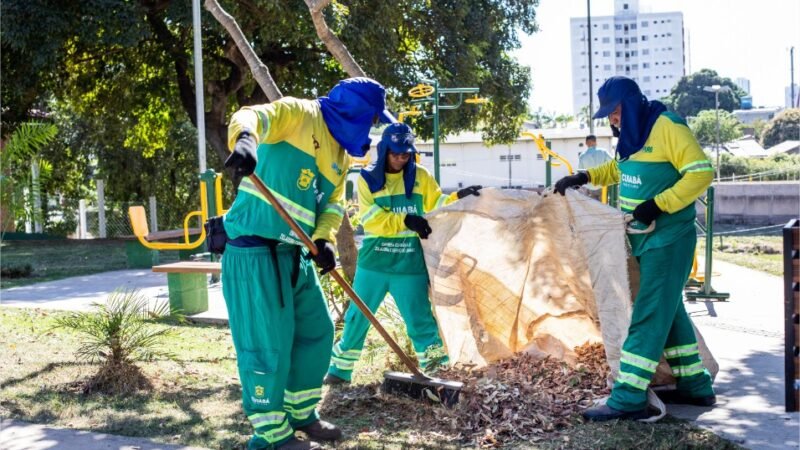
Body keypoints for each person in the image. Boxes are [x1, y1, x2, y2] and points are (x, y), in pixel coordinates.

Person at [222, 77, 396, 450]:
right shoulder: (301, 114)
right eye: (371, 119)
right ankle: (269, 434)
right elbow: (251, 116)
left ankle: (301, 412)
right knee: (267, 345)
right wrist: (247, 141)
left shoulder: (341, 154)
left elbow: (332, 204)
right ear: (354, 112)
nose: (372, 128)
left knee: (315, 334)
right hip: (255, 250)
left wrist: (323, 239)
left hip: (296, 253)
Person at [554, 76, 716, 422]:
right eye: (608, 116)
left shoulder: (667, 126)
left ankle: (627, 396)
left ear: (630, 104)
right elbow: (621, 170)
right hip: (643, 238)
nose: (612, 120)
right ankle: (695, 385)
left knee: (648, 313)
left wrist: (659, 204)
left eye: (615, 112)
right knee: (669, 311)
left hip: (669, 238)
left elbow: (702, 173)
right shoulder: (631, 136)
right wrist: (585, 178)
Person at [323, 123, 482, 385]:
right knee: (357, 318)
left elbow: (436, 204)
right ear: (384, 150)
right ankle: (340, 371)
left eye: (405, 154)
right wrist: (406, 221)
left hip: (410, 266)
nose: (400, 158)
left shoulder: (421, 176)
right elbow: (371, 219)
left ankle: (435, 371)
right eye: (395, 153)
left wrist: (458, 198)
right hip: (374, 264)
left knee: (421, 321)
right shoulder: (366, 178)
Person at [578, 134, 612, 200]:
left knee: (591, 207)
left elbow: (580, 172)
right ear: (596, 142)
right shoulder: (603, 152)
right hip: (602, 185)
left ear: (586, 143)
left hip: (589, 186)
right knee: (603, 207)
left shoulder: (582, 156)